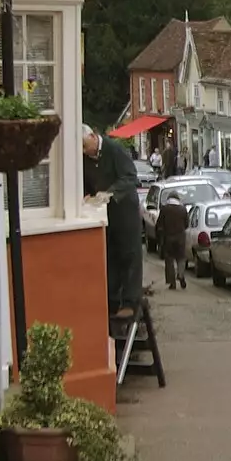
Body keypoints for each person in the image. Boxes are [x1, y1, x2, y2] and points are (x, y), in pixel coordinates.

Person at [83, 124, 143, 319]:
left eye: (85, 146)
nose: (85, 152)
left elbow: (130, 177)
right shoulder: (86, 157)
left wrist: (111, 192)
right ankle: (112, 299)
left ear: (93, 136)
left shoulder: (114, 149)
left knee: (129, 253)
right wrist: (86, 195)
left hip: (125, 209)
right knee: (110, 253)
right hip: (104, 210)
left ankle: (130, 301)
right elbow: (85, 181)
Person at [156, 191, 190, 290]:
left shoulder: (165, 209)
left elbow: (159, 224)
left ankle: (172, 283)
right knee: (181, 258)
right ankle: (181, 274)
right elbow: (186, 224)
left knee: (169, 259)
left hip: (168, 238)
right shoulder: (183, 209)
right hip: (180, 238)